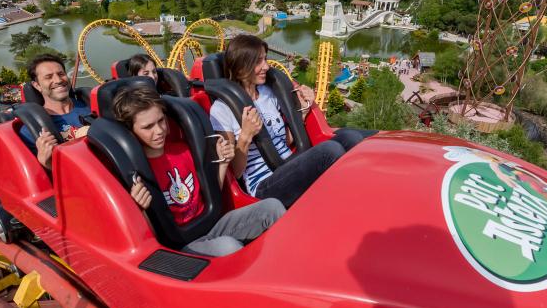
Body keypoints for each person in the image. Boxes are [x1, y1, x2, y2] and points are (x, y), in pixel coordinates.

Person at [113, 85, 285, 257]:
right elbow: (148, 239)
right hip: (181, 245)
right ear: (131, 131)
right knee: (229, 247)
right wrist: (139, 209)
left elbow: (210, 195)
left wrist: (223, 163)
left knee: (273, 207)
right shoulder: (137, 173)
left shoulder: (183, 150)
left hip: (210, 225)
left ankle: (289, 259)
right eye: (148, 127)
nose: (159, 131)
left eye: (161, 121)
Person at [210, 34, 353, 209]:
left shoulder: (268, 93)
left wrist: (303, 109)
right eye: (258, 62)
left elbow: (284, 140)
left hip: (288, 164)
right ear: (240, 68)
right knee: (330, 151)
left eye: (265, 59)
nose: (266, 66)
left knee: (349, 138)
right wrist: (246, 135)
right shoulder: (222, 108)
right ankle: (341, 205)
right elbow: (235, 172)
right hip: (263, 184)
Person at [20, 54, 91, 169]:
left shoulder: (89, 104)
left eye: (61, 74)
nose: (58, 80)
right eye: (48, 77)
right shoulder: (31, 130)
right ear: (37, 85)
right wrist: (46, 163)